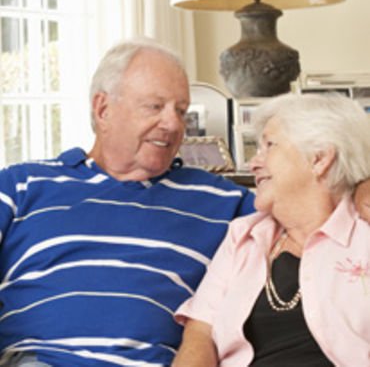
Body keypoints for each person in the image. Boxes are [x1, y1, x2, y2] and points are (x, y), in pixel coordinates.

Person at [0, 39, 368, 367]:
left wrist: (363, 186)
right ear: (103, 109)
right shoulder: (22, 185)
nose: (172, 124)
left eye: (181, 110)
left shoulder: (223, 200)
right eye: (155, 107)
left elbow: (310, 197)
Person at [173, 93, 370, 367]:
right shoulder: (243, 236)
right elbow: (200, 332)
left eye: (269, 146)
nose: (253, 163)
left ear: (319, 158)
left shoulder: (364, 234)